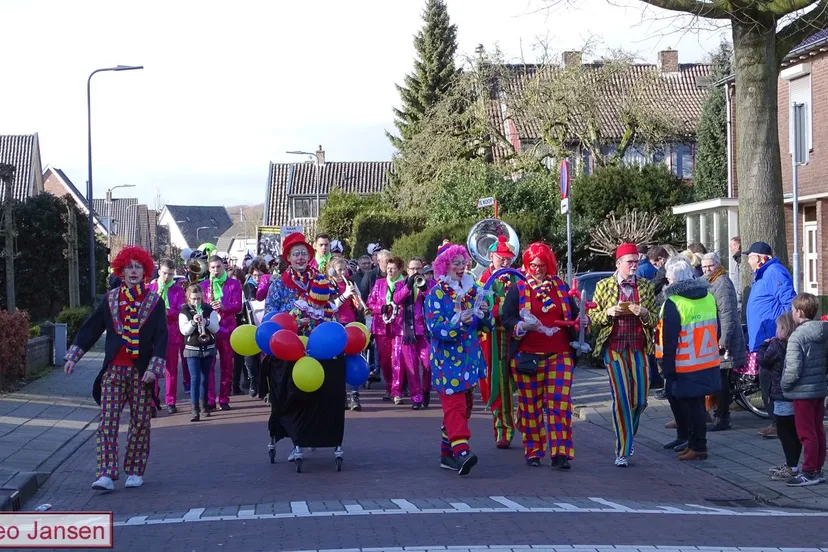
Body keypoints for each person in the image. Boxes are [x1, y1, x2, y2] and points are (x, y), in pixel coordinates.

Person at [64, 246, 168, 491]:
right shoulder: (110, 299)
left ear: (145, 271)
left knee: (141, 422)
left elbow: (163, 337)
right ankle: (106, 474)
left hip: (141, 373)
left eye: (138, 266)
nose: (133, 271)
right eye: (129, 266)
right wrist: (73, 356)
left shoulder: (154, 301)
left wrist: (154, 368)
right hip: (113, 371)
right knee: (107, 423)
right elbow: (91, 328)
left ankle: (134, 470)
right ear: (121, 270)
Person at [262, 232, 343, 465]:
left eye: (304, 253)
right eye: (295, 253)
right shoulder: (278, 283)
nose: (300, 257)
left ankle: (314, 435)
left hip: (318, 345)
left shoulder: (318, 279)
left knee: (317, 392)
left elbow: (330, 307)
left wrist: (323, 319)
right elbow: (271, 313)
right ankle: (295, 438)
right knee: (293, 394)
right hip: (289, 345)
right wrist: (294, 320)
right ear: (288, 257)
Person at [502, 242, 579, 469]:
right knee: (530, 406)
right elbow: (506, 319)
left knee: (559, 403)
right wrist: (523, 326)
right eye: (533, 265)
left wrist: (582, 322)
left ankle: (561, 452)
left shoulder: (560, 287)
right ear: (527, 264)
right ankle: (533, 450)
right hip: (527, 357)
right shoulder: (518, 288)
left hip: (560, 354)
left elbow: (574, 316)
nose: (537, 269)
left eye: (542, 265)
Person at [425, 243, 492, 475]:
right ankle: (462, 451)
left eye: (463, 263)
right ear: (445, 266)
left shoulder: (474, 290)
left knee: (465, 408)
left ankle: (447, 454)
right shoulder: (435, 294)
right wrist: (457, 322)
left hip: (469, 360)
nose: (462, 268)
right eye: (456, 263)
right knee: (454, 407)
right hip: (447, 362)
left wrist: (485, 313)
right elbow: (435, 328)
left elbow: (488, 325)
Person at [591, 243, 659, 467]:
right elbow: (592, 317)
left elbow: (654, 320)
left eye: (636, 262)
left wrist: (646, 313)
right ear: (618, 263)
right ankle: (622, 449)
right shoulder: (604, 286)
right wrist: (608, 313)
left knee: (640, 401)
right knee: (621, 398)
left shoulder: (646, 286)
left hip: (639, 348)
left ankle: (629, 434)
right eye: (630, 262)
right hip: (614, 349)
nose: (633, 266)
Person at [656, 256, 721, 462]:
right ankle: (694, 444)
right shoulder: (708, 297)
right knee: (698, 407)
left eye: (668, 276)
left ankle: (698, 446)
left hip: (685, 363)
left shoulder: (674, 302)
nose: (666, 279)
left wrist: (668, 369)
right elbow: (716, 328)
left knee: (690, 408)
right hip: (707, 360)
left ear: (675, 279)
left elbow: (670, 340)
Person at [744, 241, 796, 439]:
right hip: (764, 339)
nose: (748, 261)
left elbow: (789, 302)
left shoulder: (774, 271)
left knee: (770, 382)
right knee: (766, 381)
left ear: (758, 257)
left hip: (773, 338)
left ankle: (778, 424)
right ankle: (776, 422)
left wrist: (781, 332)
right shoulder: (762, 274)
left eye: (750, 257)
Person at [781, 293, 828, 487]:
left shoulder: (797, 337)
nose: (791, 313)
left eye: (793, 310)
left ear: (799, 312)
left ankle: (809, 471)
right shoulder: (824, 331)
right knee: (818, 430)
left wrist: (784, 384)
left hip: (802, 391)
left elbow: (793, 368)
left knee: (806, 433)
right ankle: (817, 468)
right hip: (819, 388)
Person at [478, 235, 519, 448]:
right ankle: (503, 430)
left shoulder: (519, 279)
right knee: (500, 386)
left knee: (523, 381)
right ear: (491, 257)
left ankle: (523, 419)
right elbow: (481, 311)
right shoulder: (482, 282)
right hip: (494, 341)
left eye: (508, 258)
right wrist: (502, 311)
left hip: (519, 339)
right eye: (501, 258)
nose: (505, 262)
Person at [702, 252, 746, 431]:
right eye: (704, 266)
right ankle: (718, 413)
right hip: (714, 337)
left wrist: (724, 340)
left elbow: (727, 314)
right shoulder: (710, 281)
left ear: (718, 265)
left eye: (710, 266)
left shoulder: (722, 282)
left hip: (723, 340)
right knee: (718, 378)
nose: (706, 269)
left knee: (722, 379)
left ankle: (723, 417)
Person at [758, 312, 799, 481]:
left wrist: (763, 346)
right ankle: (792, 464)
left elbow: (764, 361)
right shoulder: (796, 344)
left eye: (778, 328)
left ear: (784, 329)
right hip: (795, 395)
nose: (776, 331)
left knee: (784, 432)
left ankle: (791, 466)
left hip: (780, 394)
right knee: (794, 431)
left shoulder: (776, 346)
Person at [201, 256, 243, 411]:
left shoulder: (234, 284)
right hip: (210, 329)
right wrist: (207, 307)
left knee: (227, 365)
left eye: (218, 267)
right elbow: (197, 305)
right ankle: (210, 398)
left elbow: (238, 306)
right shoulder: (204, 285)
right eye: (212, 267)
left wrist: (224, 306)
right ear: (208, 268)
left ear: (224, 267)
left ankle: (224, 397)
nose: (216, 270)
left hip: (227, 329)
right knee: (208, 366)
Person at [393, 256, 434, 410]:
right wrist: (408, 287)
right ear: (408, 270)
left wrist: (424, 290)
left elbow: (433, 301)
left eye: (418, 269)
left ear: (422, 269)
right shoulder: (400, 284)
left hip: (425, 331)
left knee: (428, 364)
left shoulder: (431, 284)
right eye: (412, 269)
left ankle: (426, 390)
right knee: (412, 367)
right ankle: (416, 398)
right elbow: (396, 300)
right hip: (407, 331)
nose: (416, 271)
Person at [147, 259, 185, 415]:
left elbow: (181, 311)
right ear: (159, 272)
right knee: (153, 370)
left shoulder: (178, 291)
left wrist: (167, 312)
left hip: (171, 334)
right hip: (152, 335)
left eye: (170, 274)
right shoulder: (150, 288)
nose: (167, 277)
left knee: (171, 370)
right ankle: (152, 401)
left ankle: (171, 401)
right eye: (164, 273)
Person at [329, 256, 366, 411]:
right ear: (333, 271)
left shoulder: (350, 283)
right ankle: (341, 395)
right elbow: (331, 306)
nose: (344, 272)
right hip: (337, 324)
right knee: (338, 361)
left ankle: (354, 394)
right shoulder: (329, 286)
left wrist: (357, 299)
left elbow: (358, 306)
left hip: (351, 323)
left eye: (345, 269)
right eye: (340, 270)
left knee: (353, 358)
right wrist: (344, 296)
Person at [179, 285, 219, 422]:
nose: (196, 302)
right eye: (194, 299)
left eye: (199, 299)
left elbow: (215, 328)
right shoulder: (185, 310)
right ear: (189, 298)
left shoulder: (209, 310)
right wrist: (193, 322)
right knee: (195, 378)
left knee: (205, 378)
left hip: (208, 348)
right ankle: (194, 409)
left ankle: (204, 406)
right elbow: (184, 331)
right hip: (192, 349)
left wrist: (206, 322)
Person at [367, 256, 405, 403]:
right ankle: (389, 387)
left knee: (397, 359)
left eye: (393, 268)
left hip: (399, 327)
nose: (389, 270)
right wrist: (380, 308)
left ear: (400, 270)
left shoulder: (403, 284)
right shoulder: (379, 283)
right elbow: (370, 304)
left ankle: (397, 391)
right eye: (388, 267)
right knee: (384, 361)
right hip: (381, 327)